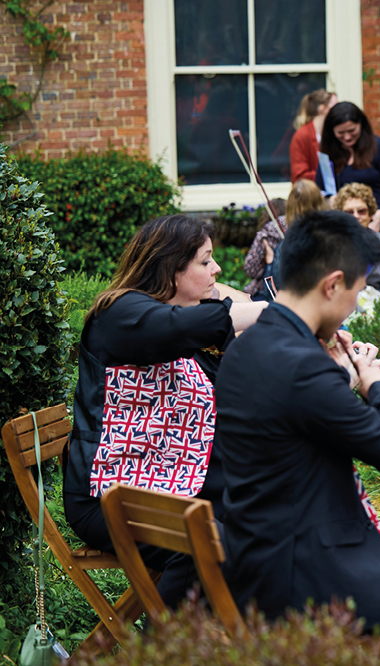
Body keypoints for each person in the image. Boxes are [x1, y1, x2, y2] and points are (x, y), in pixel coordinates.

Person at [213, 210, 380, 642]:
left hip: (259, 546)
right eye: (356, 294)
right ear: (331, 285)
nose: (353, 308)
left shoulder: (247, 349)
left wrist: (341, 376)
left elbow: (304, 420)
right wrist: (376, 381)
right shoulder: (304, 365)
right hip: (308, 567)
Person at [63, 215, 268, 608]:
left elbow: (226, 386)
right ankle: (166, 648)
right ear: (171, 267)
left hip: (169, 479)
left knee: (269, 513)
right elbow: (181, 326)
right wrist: (270, 310)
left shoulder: (168, 317)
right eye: (206, 261)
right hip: (109, 496)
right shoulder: (121, 315)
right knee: (211, 541)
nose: (217, 269)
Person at [315, 102, 380, 248]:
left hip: (376, 226)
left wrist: (378, 217)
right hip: (343, 229)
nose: (347, 137)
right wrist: (329, 199)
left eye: (352, 131)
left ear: (361, 125)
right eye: (340, 133)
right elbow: (320, 189)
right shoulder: (330, 152)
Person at [332, 183, 380, 299]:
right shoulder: (330, 245)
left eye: (361, 211)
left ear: (370, 214)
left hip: (377, 309)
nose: (356, 216)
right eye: (349, 212)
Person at [243, 198, 288, 300]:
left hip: (264, 291)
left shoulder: (266, 234)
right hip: (290, 290)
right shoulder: (297, 230)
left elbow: (251, 269)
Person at [289, 89, 337, 183]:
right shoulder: (302, 136)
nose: (338, 112)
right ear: (323, 109)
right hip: (311, 196)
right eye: (334, 108)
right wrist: (332, 175)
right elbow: (299, 177)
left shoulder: (335, 134)